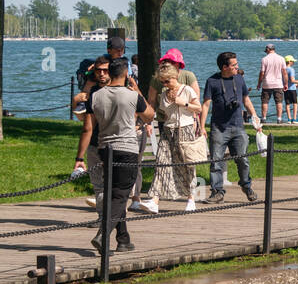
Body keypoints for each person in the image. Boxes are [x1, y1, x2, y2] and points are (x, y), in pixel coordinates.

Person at [85, 57, 155, 254]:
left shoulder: (96, 95)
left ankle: (123, 239)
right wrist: (137, 90)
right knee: (121, 195)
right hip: (126, 149)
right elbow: (149, 115)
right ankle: (103, 234)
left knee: (113, 193)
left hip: (104, 148)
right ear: (126, 74)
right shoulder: (132, 96)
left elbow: (89, 121)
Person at [201, 51, 261, 204]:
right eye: (234, 65)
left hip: (238, 127)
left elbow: (246, 99)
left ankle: (246, 185)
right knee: (216, 162)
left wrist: (254, 116)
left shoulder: (239, 79)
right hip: (219, 128)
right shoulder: (212, 81)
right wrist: (202, 126)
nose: (237, 67)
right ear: (224, 67)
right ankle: (217, 192)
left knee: (243, 160)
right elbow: (206, 104)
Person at [148, 60, 204, 209]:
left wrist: (184, 103)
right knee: (161, 163)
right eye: (162, 81)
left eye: (167, 81)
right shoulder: (164, 93)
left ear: (175, 77)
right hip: (168, 130)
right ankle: (154, 200)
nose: (165, 84)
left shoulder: (186, 90)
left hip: (184, 129)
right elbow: (164, 112)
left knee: (187, 164)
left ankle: (191, 198)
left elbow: (198, 108)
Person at [71, 57, 112, 210]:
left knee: (113, 186)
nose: (101, 74)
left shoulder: (123, 91)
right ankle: (104, 219)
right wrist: (75, 102)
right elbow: (85, 123)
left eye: (105, 70)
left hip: (116, 145)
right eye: (98, 71)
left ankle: (111, 220)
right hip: (95, 143)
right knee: (99, 186)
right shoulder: (92, 93)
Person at [257, 43, 288, 124]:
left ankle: (263, 118)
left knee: (265, 101)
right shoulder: (281, 58)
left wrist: (259, 83)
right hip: (278, 83)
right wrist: (286, 83)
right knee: (279, 102)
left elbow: (262, 73)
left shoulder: (264, 59)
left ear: (268, 49)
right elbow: (284, 72)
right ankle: (279, 119)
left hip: (266, 83)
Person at [284, 55, 298, 122]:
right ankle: (294, 118)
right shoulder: (291, 69)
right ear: (289, 62)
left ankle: (289, 119)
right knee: (295, 103)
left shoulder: (283, 69)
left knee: (287, 104)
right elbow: (292, 80)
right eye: (292, 61)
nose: (293, 62)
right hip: (292, 89)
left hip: (285, 89)